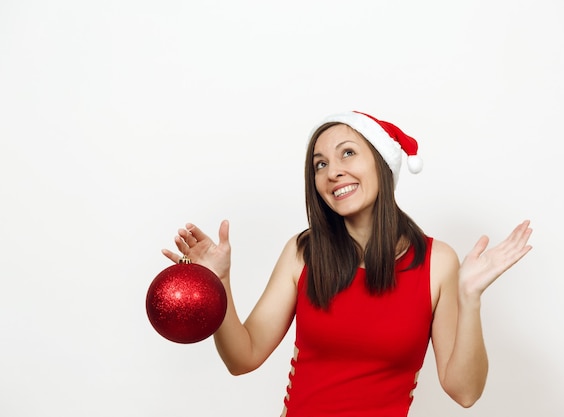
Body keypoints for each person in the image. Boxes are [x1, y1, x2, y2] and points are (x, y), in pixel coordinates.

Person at [161, 111, 533, 417]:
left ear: (382, 163)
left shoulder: (437, 261)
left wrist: (469, 297)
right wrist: (217, 281)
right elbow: (243, 357)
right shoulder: (302, 252)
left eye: (348, 153)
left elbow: (464, 392)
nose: (332, 171)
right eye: (320, 164)